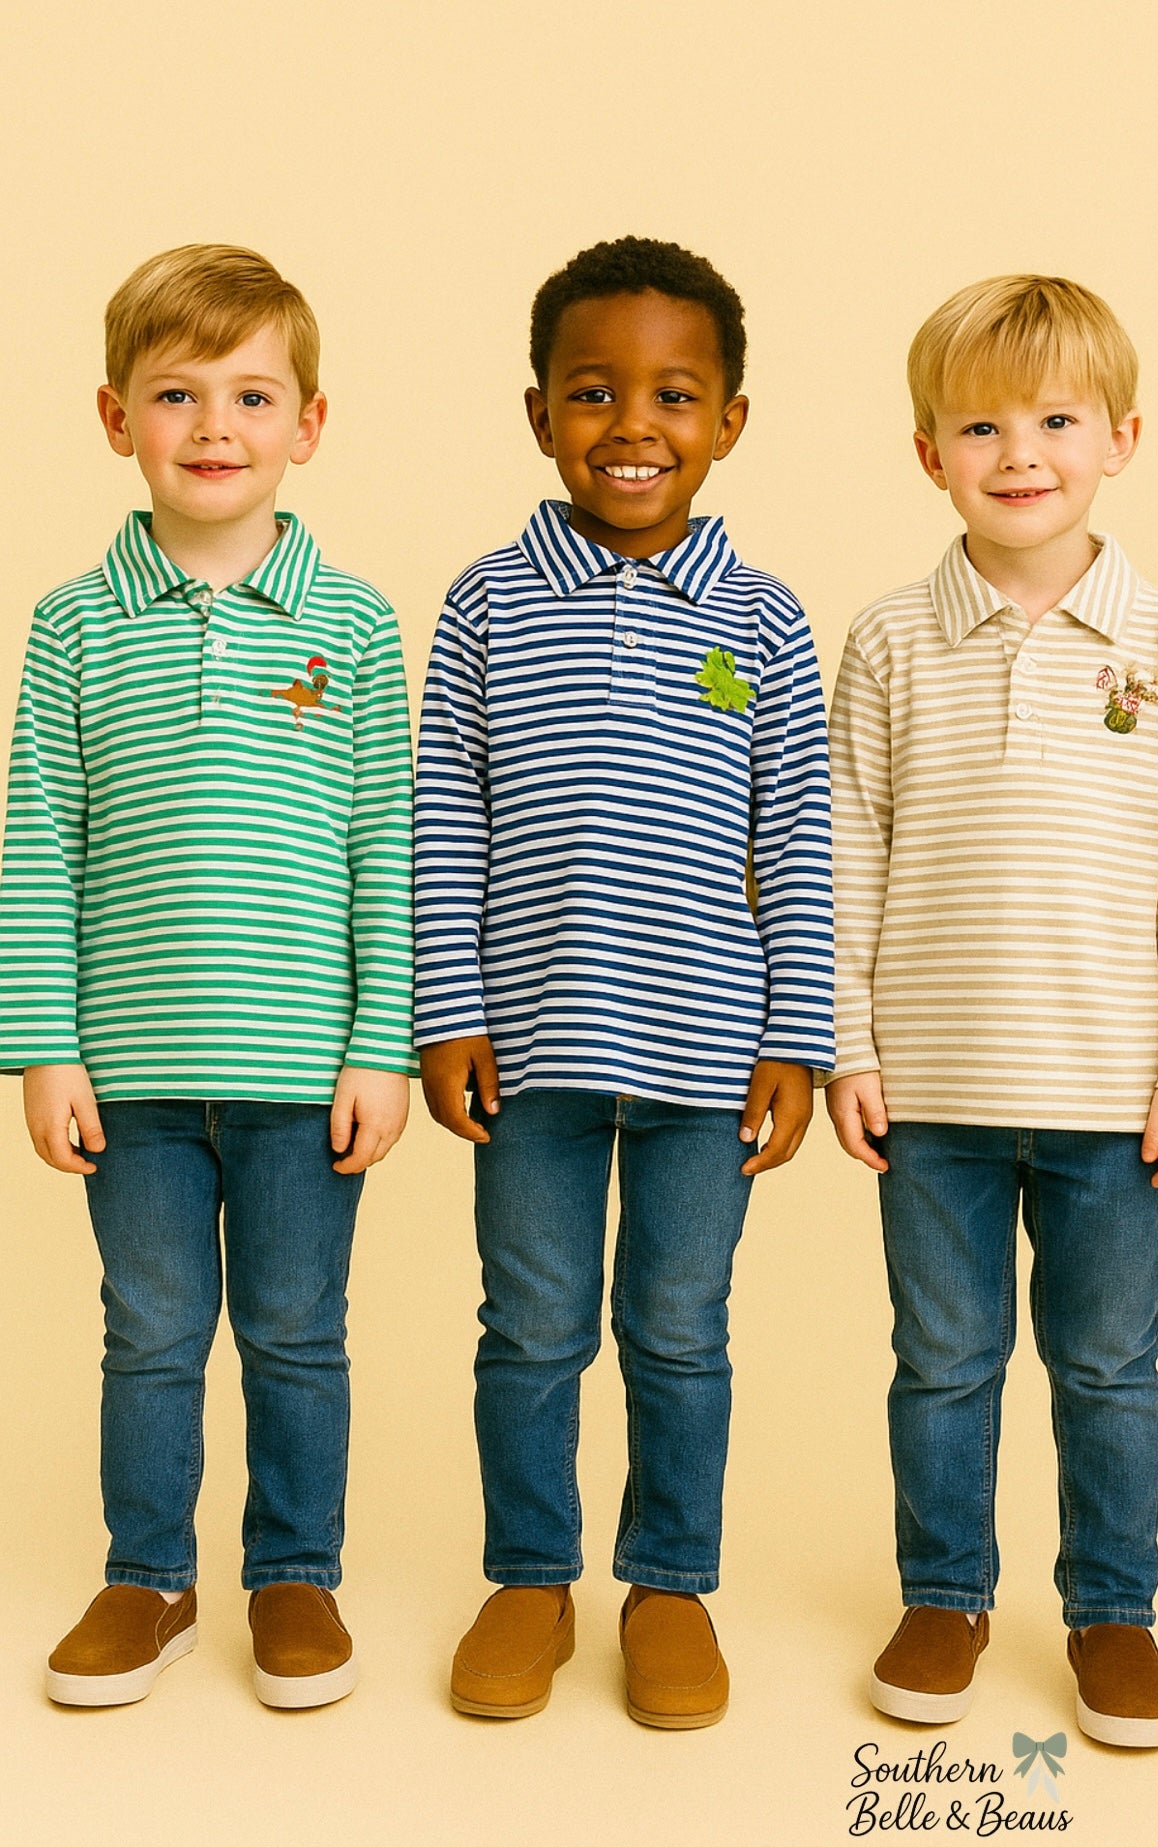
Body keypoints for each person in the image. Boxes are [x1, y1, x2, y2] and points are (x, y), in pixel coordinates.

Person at [414, 235, 834, 1728]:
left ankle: (669, 1585)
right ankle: (530, 1576)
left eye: (673, 393)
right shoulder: (484, 601)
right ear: (539, 415)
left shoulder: (764, 619)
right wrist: (444, 1011)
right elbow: (443, 825)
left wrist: (800, 1039)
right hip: (523, 1056)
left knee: (679, 1330)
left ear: (729, 419)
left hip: (706, 1058)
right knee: (528, 1327)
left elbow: (795, 840)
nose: (633, 425)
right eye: (594, 392)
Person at [827, 273, 1158, 1747]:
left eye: (1054, 420)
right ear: (925, 450)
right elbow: (846, 846)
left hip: (1109, 1100)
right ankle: (944, 1594)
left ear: (1119, 437)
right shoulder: (886, 641)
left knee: (1106, 1365)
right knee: (941, 1361)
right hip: (931, 1095)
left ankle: (1109, 1612)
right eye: (978, 424)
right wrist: (848, 1044)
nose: (1018, 453)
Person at [0, 244, 415, 1708]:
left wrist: (384, 1049)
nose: (215, 426)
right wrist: (45, 1054)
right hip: (132, 1078)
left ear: (310, 422)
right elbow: (37, 847)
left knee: (300, 1334)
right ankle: (149, 1577)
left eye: (252, 394)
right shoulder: (72, 622)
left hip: (310, 1078)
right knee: (151, 1333)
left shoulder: (355, 623)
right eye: (178, 394)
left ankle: (294, 1579)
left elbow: (387, 848)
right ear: (117, 418)